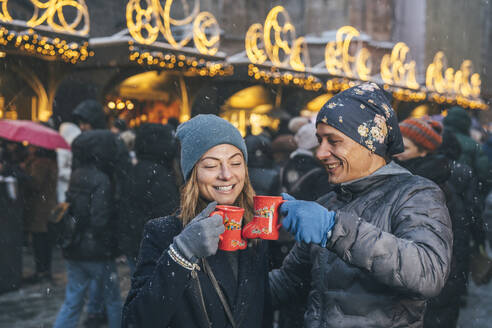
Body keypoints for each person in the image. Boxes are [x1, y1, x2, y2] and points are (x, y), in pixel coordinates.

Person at [270, 82, 453, 328]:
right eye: (319, 140)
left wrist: (334, 229)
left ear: (370, 145)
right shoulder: (329, 202)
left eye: (333, 141)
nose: (321, 152)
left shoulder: (416, 193)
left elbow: (428, 272)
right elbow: (286, 283)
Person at [122, 114, 270, 328]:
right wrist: (181, 253)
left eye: (236, 162)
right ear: (192, 175)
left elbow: (260, 310)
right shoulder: (164, 233)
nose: (227, 175)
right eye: (210, 166)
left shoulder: (253, 232)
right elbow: (135, 321)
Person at [394, 117, 467, 328]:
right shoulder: (400, 176)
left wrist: (450, 284)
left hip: (430, 282)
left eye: (404, 147)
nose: (397, 152)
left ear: (423, 151)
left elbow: (456, 237)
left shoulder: (434, 186)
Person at [53, 130, 122, 328]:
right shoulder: (102, 179)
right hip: (97, 250)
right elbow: (100, 219)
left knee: (73, 300)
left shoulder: (77, 174)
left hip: (74, 246)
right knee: (113, 300)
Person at [118, 123, 180, 274]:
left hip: (135, 241)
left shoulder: (135, 169)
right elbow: (166, 213)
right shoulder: (161, 175)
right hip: (153, 244)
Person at [23, 145, 58, 283]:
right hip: (48, 206)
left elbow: (35, 184)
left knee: (39, 241)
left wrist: (24, 173)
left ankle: (41, 271)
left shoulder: (40, 163)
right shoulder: (51, 161)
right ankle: (45, 271)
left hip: (39, 208)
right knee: (45, 240)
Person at [57, 123, 81, 204]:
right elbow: (59, 170)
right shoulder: (62, 150)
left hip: (68, 186)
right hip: (64, 187)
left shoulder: (66, 148)